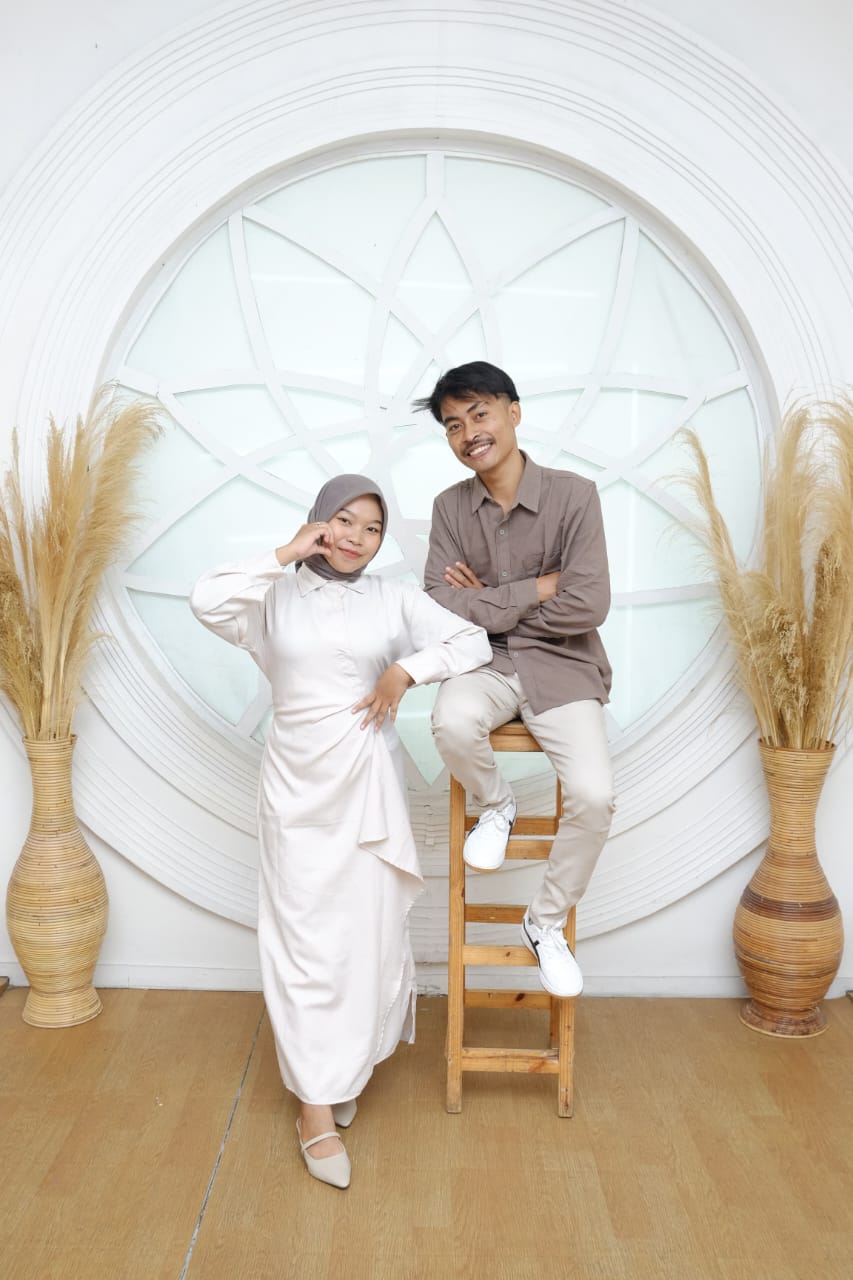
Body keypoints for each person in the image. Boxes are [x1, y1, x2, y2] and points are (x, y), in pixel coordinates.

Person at [190, 475, 490, 1189]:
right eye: (343, 520)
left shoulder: (390, 597)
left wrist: (405, 671)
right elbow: (205, 600)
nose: (356, 537)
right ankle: (314, 1110)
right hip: (295, 788)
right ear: (318, 520)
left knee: (362, 937)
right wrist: (286, 552)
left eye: (372, 528)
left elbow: (472, 640)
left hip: (367, 785)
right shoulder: (272, 595)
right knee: (303, 943)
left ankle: (338, 1071)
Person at [414, 362, 615, 1000]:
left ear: (513, 412)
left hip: (565, 664)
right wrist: (537, 589)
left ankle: (544, 923)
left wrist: (491, 599)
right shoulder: (450, 508)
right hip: (485, 661)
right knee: (450, 722)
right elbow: (438, 604)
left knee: (594, 797)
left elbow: (588, 604)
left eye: (479, 413)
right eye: (453, 424)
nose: (468, 432)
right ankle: (496, 804)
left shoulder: (575, 496)